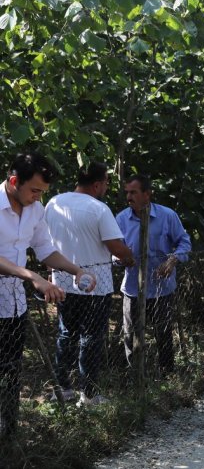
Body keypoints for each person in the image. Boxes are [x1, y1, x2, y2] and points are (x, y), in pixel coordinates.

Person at [0, 153, 96, 440]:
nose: (37, 197)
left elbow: (45, 249)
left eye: (42, 192)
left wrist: (75, 270)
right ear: (14, 181)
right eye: (34, 190)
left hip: (13, 308)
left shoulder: (35, 209)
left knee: (10, 375)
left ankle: (8, 437)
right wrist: (33, 277)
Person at [44, 162, 135, 405]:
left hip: (62, 280)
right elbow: (115, 247)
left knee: (66, 334)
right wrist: (129, 257)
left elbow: (44, 240)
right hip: (96, 286)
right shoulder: (98, 209)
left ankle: (62, 388)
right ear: (96, 184)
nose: (106, 186)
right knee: (92, 338)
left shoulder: (55, 203)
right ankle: (90, 394)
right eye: (106, 182)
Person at [116, 174, 191, 376]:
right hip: (132, 288)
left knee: (163, 332)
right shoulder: (121, 218)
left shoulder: (167, 216)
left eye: (133, 192)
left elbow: (184, 242)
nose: (129, 197)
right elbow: (113, 250)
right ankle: (134, 376)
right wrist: (121, 259)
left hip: (161, 288)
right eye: (127, 193)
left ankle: (166, 375)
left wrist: (173, 259)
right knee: (130, 334)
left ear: (147, 194)